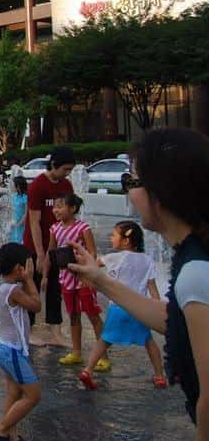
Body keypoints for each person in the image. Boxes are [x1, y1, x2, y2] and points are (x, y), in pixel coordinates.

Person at [68, 128, 209, 441]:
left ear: (160, 193)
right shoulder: (195, 256)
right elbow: (178, 321)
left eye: (131, 182)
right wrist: (100, 279)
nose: (128, 194)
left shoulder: (197, 270)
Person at [78, 221, 165, 390]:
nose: (111, 238)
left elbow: (93, 266)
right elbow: (153, 289)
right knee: (149, 342)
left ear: (125, 241)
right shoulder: (147, 261)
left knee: (104, 340)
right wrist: (157, 310)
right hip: (138, 309)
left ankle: (87, 371)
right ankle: (160, 375)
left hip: (118, 308)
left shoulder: (114, 257)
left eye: (114, 235)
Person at [0, 242, 42, 441]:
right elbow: (37, 306)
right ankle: (0, 430)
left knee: (13, 393)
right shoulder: (14, 291)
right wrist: (29, 279)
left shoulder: (1, 286)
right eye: (26, 266)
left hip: (5, 348)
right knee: (33, 395)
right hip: (12, 351)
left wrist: (24, 278)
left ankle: (12, 438)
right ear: (19, 269)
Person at [25, 146, 75, 348]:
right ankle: (27, 331)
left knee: (56, 288)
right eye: (65, 169)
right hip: (35, 246)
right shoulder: (38, 186)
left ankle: (56, 332)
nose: (67, 173)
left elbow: (70, 217)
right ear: (54, 165)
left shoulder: (67, 185)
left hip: (58, 247)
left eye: (70, 170)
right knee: (32, 287)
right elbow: (34, 222)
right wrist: (39, 254)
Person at [50, 194, 104, 368]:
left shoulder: (83, 228)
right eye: (54, 207)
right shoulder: (54, 229)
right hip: (66, 279)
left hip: (84, 279)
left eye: (60, 206)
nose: (55, 210)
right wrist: (45, 274)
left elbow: (92, 253)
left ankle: (103, 356)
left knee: (93, 315)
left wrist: (87, 272)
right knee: (73, 316)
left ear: (73, 209)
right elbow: (52, 251)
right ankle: (76, 352)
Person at [8, 176, 28, 244]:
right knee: (13, 242)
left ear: (18, 186)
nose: (12, 186)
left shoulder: (25, 197)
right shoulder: (14, 196)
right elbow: (12, 210)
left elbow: (26, 213)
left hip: (22, 225)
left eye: (13, 185)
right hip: (14, 224)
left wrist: (20, 223)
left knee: (20, 242)